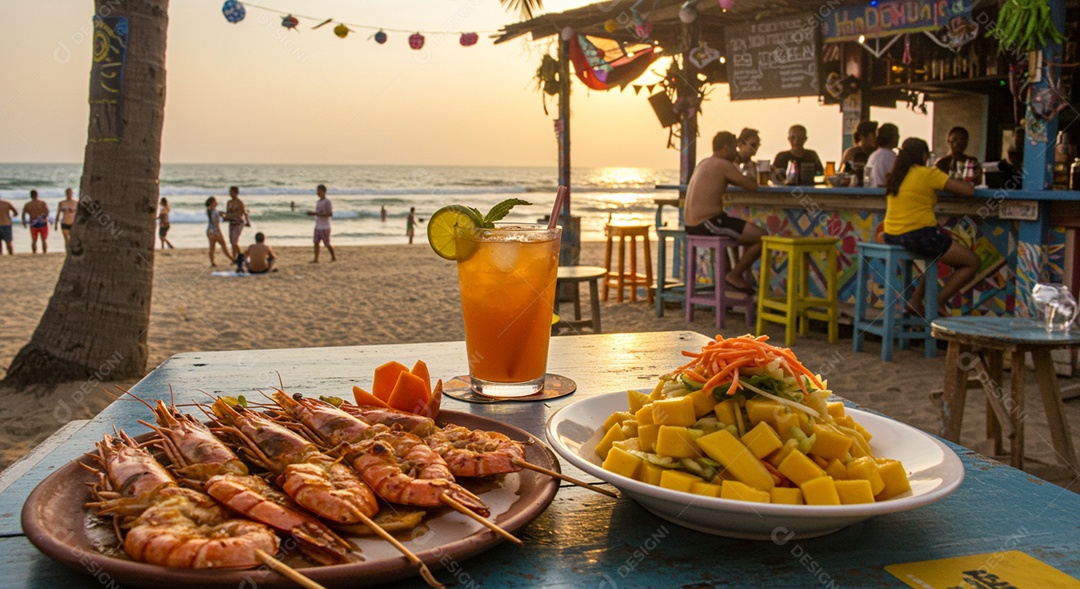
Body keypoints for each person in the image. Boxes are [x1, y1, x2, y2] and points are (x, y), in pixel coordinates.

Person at [882, 137, 980, 317]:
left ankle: (915, 300)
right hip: (918, 235)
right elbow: (969, 191)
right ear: (923, 155)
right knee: (972, 262)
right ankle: (938, 302)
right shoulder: (927, 174)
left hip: (891, 234)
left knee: (934, 255)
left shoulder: (896, 176)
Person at [683, 131, 765, 293]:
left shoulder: (704, 162)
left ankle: (726, 287)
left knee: (732, 227)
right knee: (762, 237)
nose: (736, 152)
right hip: (708, 223)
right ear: (726, 148)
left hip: (693, 224)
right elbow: (752, 186)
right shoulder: (723, 164)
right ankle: (734, 276)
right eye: (734, 148)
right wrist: (750, 170)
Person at [864, 123, 900, 188]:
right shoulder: (890, 156)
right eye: (896, 135)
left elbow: (866, 178)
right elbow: (896, 177)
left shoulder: (873, 155)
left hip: (870, 191)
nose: (898, 137)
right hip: (882, 192)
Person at [307, 184, 336, 262]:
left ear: (323, 192)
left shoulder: (327, 202)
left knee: (327, 244)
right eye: (317, 191)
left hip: (325, 227)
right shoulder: (318, 202)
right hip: (318, 226)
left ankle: (333, 257)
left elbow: (330, 214)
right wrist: (313, 214)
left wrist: (315, 214)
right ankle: (316, 259)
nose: (317, 193)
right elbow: (318, 213)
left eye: (319, 191)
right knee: (316, 243)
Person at [223, 186, 250, 260]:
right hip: (231, 223)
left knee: (234, 242)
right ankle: (235, 257)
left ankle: (241, 257)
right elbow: (228, 213)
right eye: (230, 192)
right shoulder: (229, 202)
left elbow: (244, 213)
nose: (230, 194)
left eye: (232, 192)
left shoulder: (239, 202)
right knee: (232, 242)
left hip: (238, 223)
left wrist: (248, 222)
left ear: (236, 193)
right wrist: (224, 216)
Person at [21, 190, 49, 254]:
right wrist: (43, 218)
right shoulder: (42, 203)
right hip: (42, 222)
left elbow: (23, 214)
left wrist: (24, 222)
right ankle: (44, 253)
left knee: (34, 240)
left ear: (31, 195)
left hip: (34, 222)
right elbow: (47, 212)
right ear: (37, 195)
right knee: (43, 239)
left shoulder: (28, 204)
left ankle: (34, 253)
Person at [205, 196, 230, 266]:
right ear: (212, 203)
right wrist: (220, 233)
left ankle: (212, 262)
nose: (217, 202)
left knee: (212, 248)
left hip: (209, 231)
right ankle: (232, 259)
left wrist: (220, 213)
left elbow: (214, 213)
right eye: (215, 201)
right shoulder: (215, 212)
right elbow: (217, 224)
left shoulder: (209, 210)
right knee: (224, 246)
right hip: (215, 231)